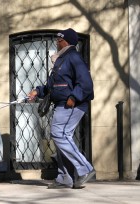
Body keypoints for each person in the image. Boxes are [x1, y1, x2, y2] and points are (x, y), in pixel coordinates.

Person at [28, 28, 95, 189]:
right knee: (62, 139)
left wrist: (73, 98)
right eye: (57, 40)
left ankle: (85, 169)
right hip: (62, 104)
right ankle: (65, 177)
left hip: (71, 105)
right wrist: (38, 91)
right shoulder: (62, 60)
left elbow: (86, 83)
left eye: (59, 40)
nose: (56, 42)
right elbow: (53, 86)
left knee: (59, 134)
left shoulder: (73, 57)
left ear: (67, 42)